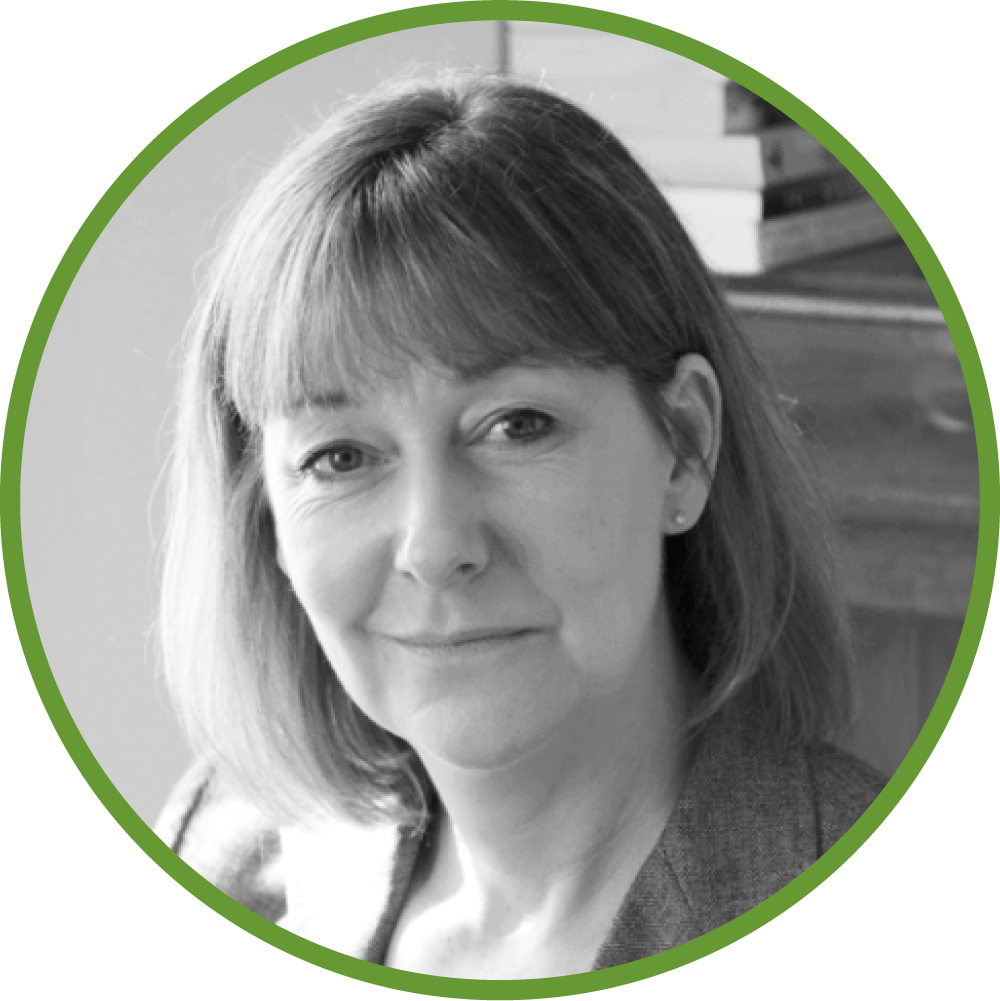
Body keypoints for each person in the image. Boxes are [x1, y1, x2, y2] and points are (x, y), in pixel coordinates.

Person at [155, 72, 885, 979]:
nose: (435, 546)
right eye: (340, 457)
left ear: (686, 445)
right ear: (266, 513)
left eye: (516, 425)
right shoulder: (221, 860)